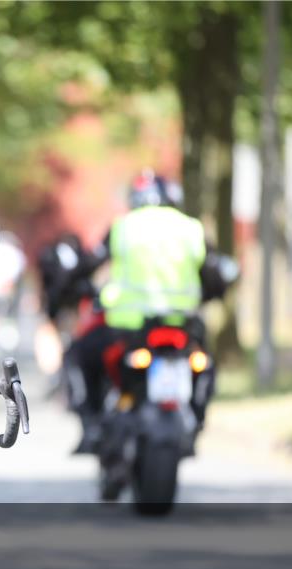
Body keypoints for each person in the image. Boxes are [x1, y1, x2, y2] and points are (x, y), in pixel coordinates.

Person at [61, 170, 227, 453]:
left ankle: (91, 426)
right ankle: (198, 418)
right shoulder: (191, 228)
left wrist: (74, 284)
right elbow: (213, 273)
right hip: (182, 323)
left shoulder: (124, 227)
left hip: (127, 325)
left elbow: (90, 263)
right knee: (207, 363)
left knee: (76, 355)